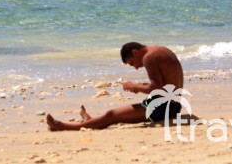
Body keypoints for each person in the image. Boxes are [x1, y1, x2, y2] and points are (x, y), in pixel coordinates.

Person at [46, 42, 184, 131]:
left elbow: (157, 88)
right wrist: (141, 87)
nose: (136, 67)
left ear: (135, 52)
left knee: (112, 115)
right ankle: (90, 121)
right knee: (115, 115)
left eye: (132, 63)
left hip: (164, 108)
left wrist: (135, 86)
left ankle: (63, 126)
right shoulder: (160, 50)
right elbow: (164, 85)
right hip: (170, 104)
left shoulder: (149, 57)